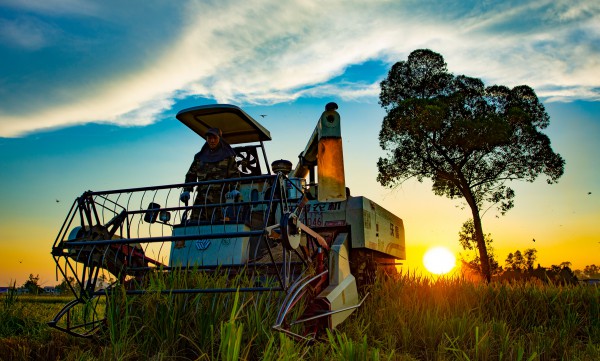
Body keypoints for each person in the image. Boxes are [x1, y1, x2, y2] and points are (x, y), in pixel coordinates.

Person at [180, 128, 239, 221]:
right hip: (201, 198)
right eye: (209, 138)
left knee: (219, 223)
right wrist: (187, 190)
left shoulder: (228, 157)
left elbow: (234, 175)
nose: (212, 140)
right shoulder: (199, 157)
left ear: (219, 138)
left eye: (214, 138)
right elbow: (191, 175)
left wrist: (234, 189)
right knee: (196, 223)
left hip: (220, 198)